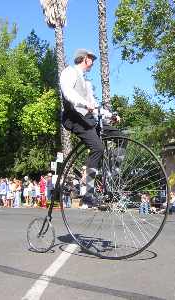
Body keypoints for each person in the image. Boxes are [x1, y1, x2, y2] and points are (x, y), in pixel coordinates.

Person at [60, 48, 122, 209]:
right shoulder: (69, 72)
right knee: (98, 147)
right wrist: (84, 103)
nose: (93, 63)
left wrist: (110, 116)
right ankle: (88, 194)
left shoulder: (86, 82)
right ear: (85, 59)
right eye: (91, 59)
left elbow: (94, 107)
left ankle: (112, 172)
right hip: (74, 117)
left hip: (89, 118)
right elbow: (68, 93)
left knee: (121, 136)